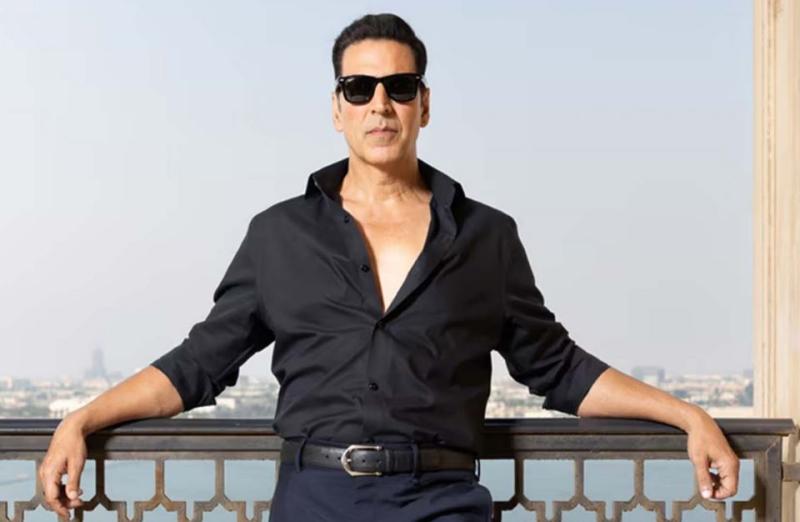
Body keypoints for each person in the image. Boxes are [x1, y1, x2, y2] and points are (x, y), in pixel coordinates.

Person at [40, 12, 739, 521]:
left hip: (442, 502)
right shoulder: (278, 235)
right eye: (359, 88)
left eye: (400, 87)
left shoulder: (487, 236)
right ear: (337, 109)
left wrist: (687, 416)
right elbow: (200, 362)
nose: (380, 103)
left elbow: (557, 366)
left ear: (423, 106)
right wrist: (82, 420)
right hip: (314, 502)